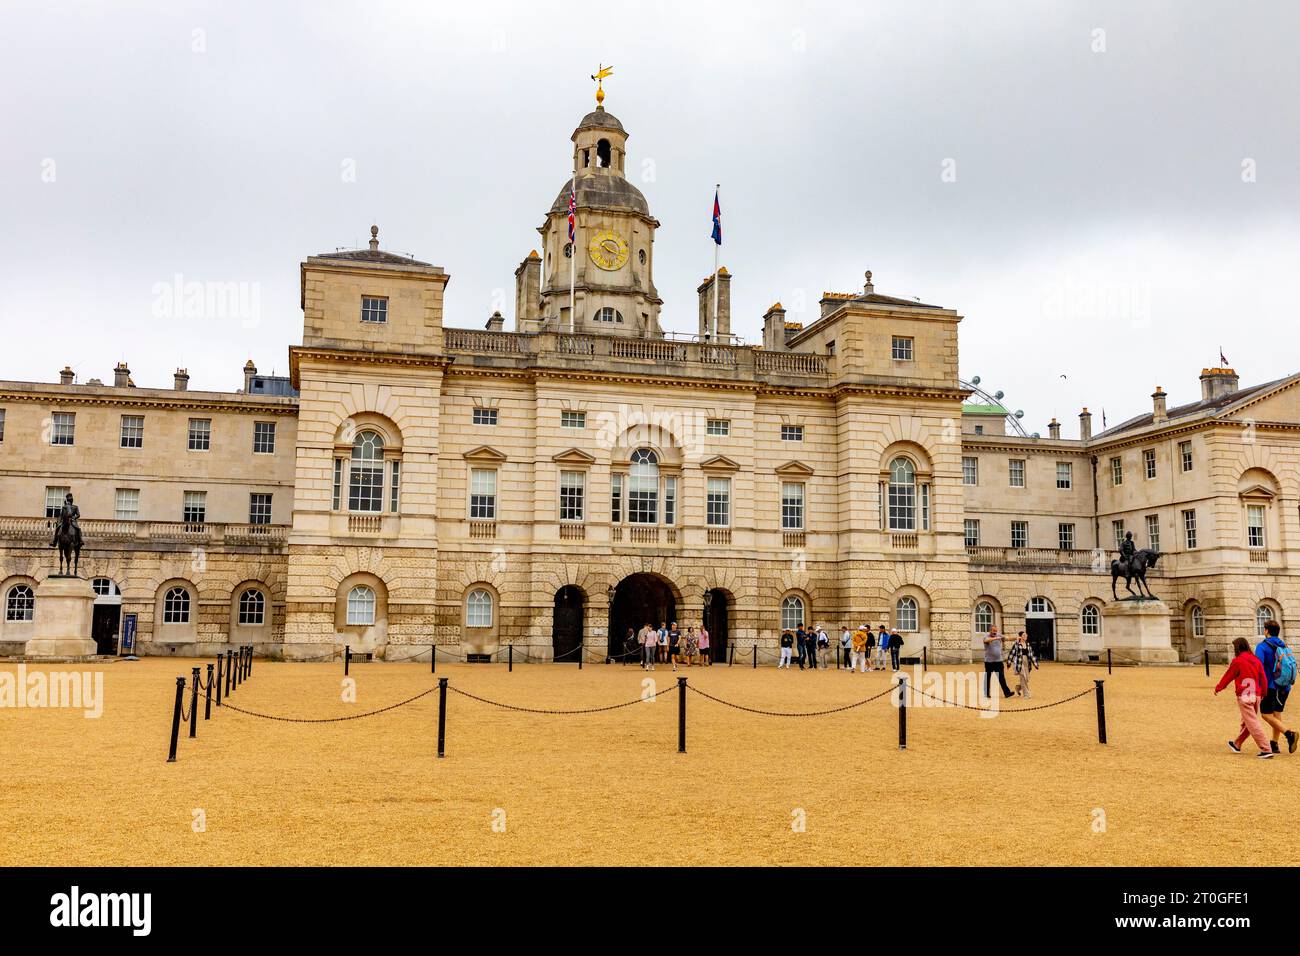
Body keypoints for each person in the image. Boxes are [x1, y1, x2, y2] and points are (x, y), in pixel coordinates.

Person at [1215, 637, 1273, 758]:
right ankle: (1237, 743)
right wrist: (1264, 693)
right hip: (1256, 695)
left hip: (1245, 695)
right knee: (1248, 722)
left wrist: (1219, 687)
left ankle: (1266, 748)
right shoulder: (1256, 660)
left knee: (1252, 723)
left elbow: (1228, 676)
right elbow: (1263, 678)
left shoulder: (1238, 661)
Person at [1253, 621, 1298, 754]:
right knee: (1276, 713)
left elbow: (1258, 666)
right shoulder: (1283, 645)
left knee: (1266, 715)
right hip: (1286, 685)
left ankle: (1289, 734)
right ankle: (1274, 744)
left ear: (1266, 631)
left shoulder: (1262, 647)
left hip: (1271, 685)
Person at [982, 624, 1014, 699]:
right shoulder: (986, 636)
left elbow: (1007, 638)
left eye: (996, 631)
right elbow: (986, 640)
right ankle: (986, 693)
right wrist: (996, 638)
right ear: (990, 630)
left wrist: (1016, 638)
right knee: (988, 678)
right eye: (993, 631)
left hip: (998, 661)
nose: (995, 632)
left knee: (1001, 677)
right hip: (989, 662)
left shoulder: (999, 635)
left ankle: (1007, 693)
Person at [1007, 631, 1038, 698]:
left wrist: (1035, 664)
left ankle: (1018, 688)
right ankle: (1026, 694)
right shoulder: (1016, 645)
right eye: (1024, 635)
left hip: (1027, 662)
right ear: (1020, 636)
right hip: (1019, 663)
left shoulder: (1028, 645)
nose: (1025, 636)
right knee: (1023, 677)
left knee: (1027, 678)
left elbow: (1031, 655)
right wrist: (1009, 663)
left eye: (1026, 635)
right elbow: (1012, 653)